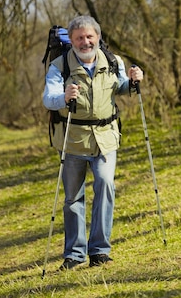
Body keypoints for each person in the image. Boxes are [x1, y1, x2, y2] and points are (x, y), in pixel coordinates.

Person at [42, 15, 143, 270]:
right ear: (72, 41)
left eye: (89, 37)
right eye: (79, 38)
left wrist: (132, 81)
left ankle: (99, 251)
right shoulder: (59, 66)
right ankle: (75, 255)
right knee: (73, 198)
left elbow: (120, 87)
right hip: (73, 140)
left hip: (106, 137)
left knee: (106, 185)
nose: (85, 42)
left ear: (98, 37)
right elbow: (48, 98)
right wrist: (63, 97)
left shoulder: (112, 60)